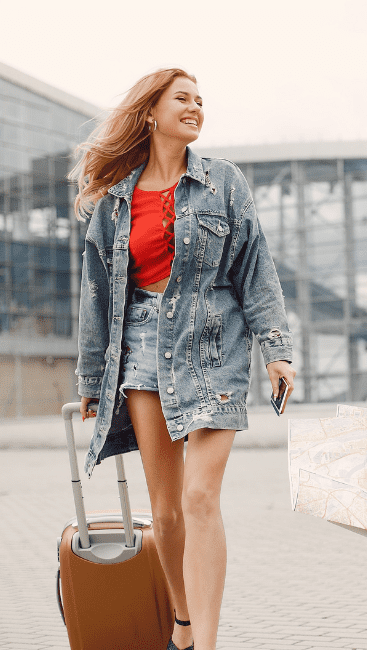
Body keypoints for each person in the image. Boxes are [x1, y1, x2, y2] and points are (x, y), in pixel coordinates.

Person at [70, 68, 295, 650]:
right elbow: (96, 294)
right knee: (166, 513)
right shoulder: (114, 204)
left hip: (216, 349)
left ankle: (209, 643)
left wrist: (276, 349)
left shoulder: (224, 182)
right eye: (183, 99)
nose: (196, 107)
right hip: (141, 352)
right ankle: (185, 624)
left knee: (200, 499)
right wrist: (94, 376)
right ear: (151, 112)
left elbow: (255, 267)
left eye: (201, 100)